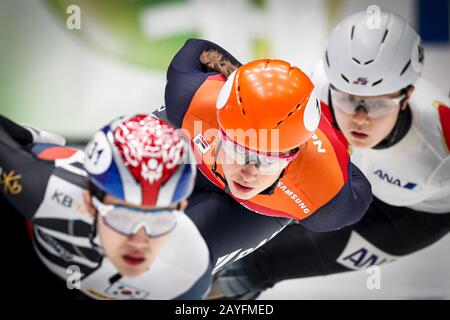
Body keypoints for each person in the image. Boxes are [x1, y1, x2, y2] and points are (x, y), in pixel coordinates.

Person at [208, 10, 450, 299]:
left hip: (410, 216)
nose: (360, 118)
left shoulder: (442, 142)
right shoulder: (316, 90)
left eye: (378, 104)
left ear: (408, 94)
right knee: (223, 247)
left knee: (255, 268)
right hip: (343, 182)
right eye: (348, 98)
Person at [154, 38, 372, 277]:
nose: (248, 173)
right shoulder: (189, 100)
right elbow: (194, 48)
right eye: (239, 150)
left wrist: (336, 147)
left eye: (269, 161)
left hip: (250, 211)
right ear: (221, 128)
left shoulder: (326, 202)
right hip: (189, 153)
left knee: (178, 265)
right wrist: (240, 80)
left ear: (293, 156)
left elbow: (362, 188)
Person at [0, 114, 211, 300]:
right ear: (90, 203)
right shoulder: (42, 188)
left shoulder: (188, 273)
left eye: (159, 221)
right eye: (123, 217)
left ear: (181, 209)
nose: (139, 241)